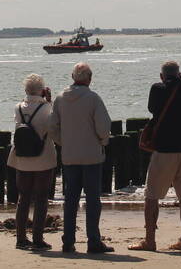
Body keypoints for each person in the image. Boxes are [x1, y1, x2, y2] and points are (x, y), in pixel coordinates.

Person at [129, 61, 181, 253]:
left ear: (162, 76)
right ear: (179, 74)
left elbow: (153, 109)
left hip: (165, 149)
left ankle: (150, 240)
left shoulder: (157, 88)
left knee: (152, 195)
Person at [50, 62, 113, 254]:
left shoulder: (60, 99)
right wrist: (102, 141)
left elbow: (53, 128)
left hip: (69, 156)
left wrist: (64, 143)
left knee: (71, 200)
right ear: (89, 78)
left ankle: (68, 241)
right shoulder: (93, 98)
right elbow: (103, 127)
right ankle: (93, 240)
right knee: (93, 200)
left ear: (73, 77)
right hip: (91, 156)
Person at [7, 73, 58, 250]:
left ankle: (21, 238)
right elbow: (52, 127)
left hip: (22, 156)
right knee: (42, 198)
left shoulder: (18, 108)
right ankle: (38, 238)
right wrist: (49, 101)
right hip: (42, 155)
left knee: (23, 198)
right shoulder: (46, 109)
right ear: (42, 90)